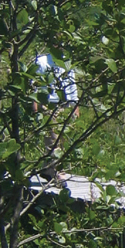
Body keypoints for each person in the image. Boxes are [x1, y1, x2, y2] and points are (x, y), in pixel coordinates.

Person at [33, 51, 79, 186]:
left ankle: (48, 169)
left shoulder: (67, 61)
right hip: (48, 104)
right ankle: (59, 174)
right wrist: (35, 105)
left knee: (63, 139)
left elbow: (72, 83)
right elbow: (35, 84)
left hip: (63, 105)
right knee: (53, 140)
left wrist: (75, 104)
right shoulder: (42, 61)